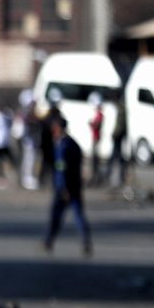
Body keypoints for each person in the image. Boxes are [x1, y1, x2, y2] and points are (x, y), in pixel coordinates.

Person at [43, 117, 92, 257]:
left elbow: (61, 168)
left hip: (64, 187)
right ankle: (85, 241)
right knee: (78, 214)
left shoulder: (63, 146)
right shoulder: (73, 143)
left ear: (59, 128)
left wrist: (64, 187)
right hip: (75, 184)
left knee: (56, 215)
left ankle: (49, 241)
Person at [15, 90, 40, 190]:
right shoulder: (26, 112)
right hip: (27, 140)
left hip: (29, 139)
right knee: (28, 159)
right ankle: (26, 179)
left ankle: (26, 178)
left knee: (29, 159)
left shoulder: (25, 111)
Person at [105, 96, 128, 188]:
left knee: (116, 156)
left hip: (118, 137)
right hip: (118, 136)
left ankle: (112, 174)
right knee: (116, 156)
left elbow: (119, 125)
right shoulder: (121, 109)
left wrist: (114, 134)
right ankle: (113, 174)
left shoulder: (121, 110)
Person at [87, 92, 105, 186]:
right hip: (95, 137)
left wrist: (91, 124)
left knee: (95, 159)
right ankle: (95, 177)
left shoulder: (100, 115)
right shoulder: (98, 114)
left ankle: (96, 177)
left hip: (96, 138)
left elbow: (96, 125)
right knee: (94, 159)